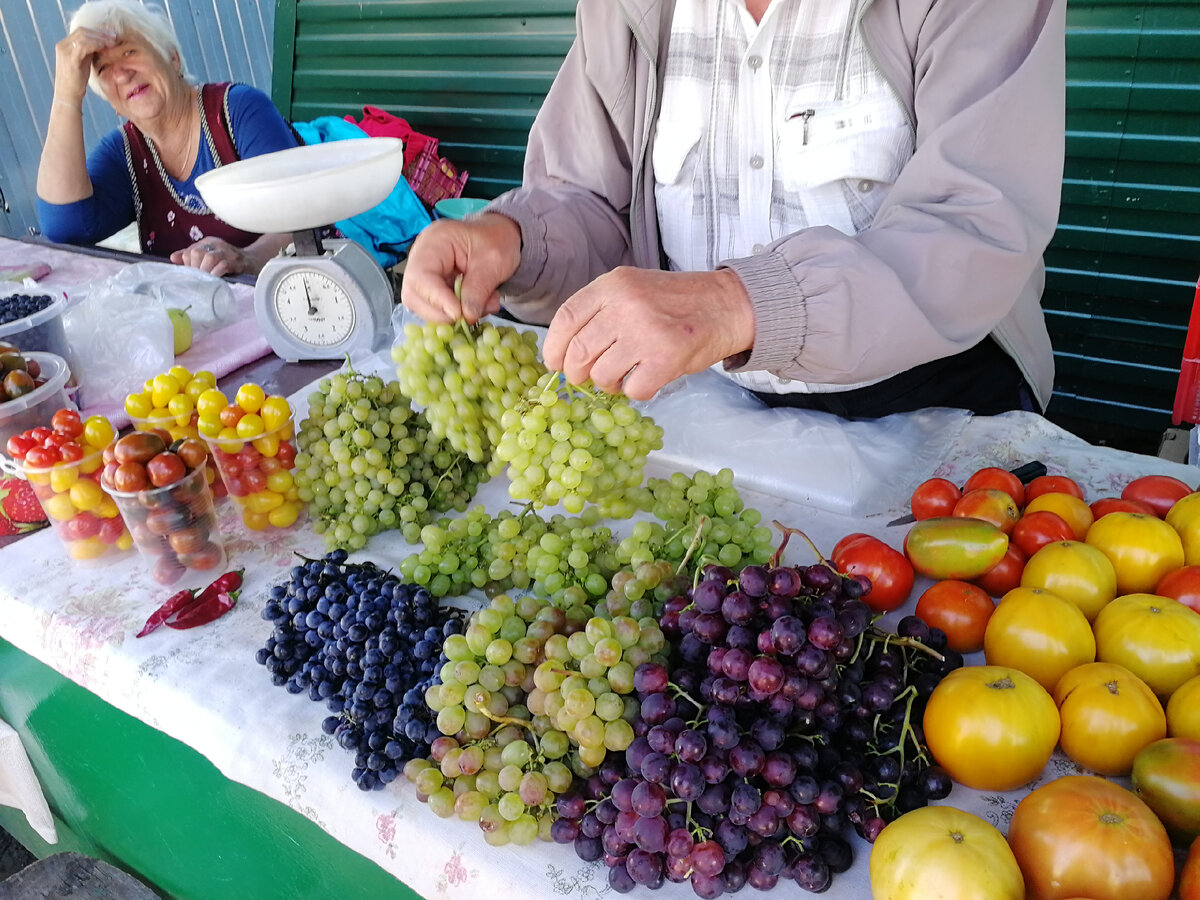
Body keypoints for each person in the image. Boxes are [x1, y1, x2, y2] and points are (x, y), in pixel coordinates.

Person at [401, 0, 1066, 417]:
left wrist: (738, 304)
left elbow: (975, 221)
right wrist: (514, 238)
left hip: (928, 403)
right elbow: (593, 197)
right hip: (705, 405)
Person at [36, 0, 297, 277]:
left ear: (173, 58)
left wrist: (249, 259)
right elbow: (64, 226)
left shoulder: (237, 111)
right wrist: (66, 95)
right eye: (103, 69)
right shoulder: (124, 152)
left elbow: (301, 216)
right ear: (111, 100)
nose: (122, 74)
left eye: (130, 51)